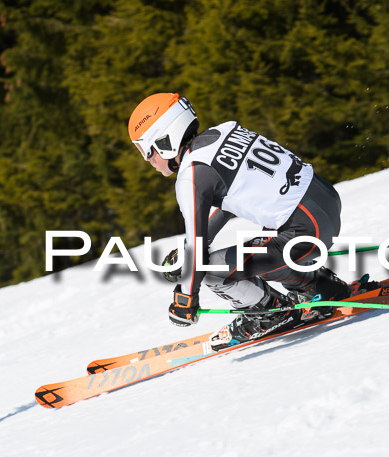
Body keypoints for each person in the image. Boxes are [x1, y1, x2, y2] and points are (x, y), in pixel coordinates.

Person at [128, 92, 353, 348]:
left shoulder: (192, 174)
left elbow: (197, 251)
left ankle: (268, 313)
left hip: (305, 233)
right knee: (264, 243)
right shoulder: (224, 133)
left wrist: (185, 298)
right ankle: (316, 286)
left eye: (145, 149)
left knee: (210, 270)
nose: (148, 159)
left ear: (164, 140)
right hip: (326, 206)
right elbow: (225, 205)